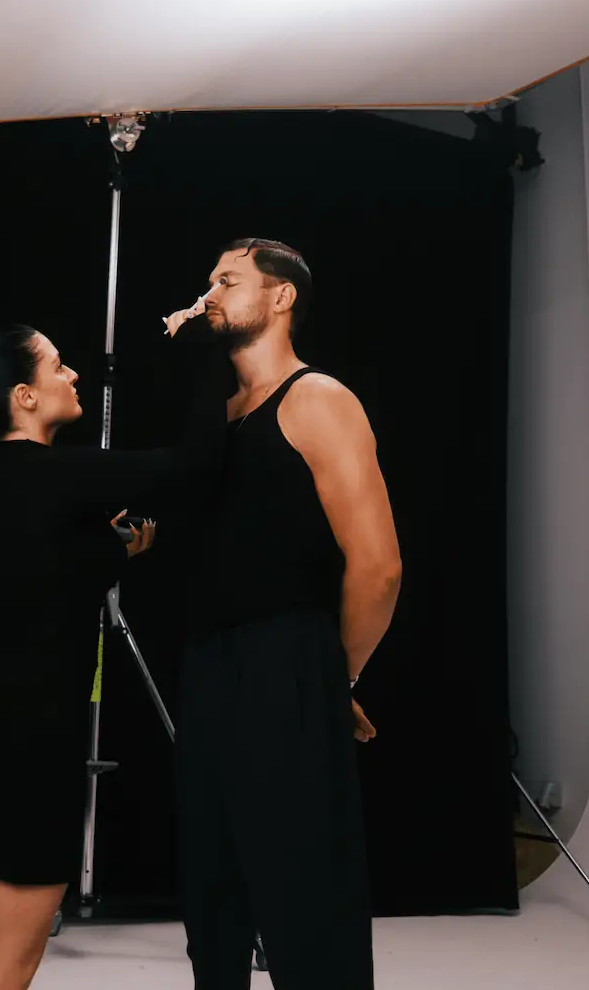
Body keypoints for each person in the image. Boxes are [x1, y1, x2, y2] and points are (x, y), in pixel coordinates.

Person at [0, 299, 232, 990]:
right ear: (24, 396)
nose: (74, 376)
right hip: (30, 745)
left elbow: (45, 576)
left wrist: (115, 552)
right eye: (58, 367)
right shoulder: (60, 475)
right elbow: (195, 466)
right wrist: (218, 350)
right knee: (7, 959)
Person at [177, 238, 403, 989]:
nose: (210, 294)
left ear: (281, 297)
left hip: (287, 658)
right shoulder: (218, 414)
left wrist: (333, 676)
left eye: (228, 280)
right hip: (209, 668)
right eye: (209, 281)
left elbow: (378, 567)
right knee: (212, 901)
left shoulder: (317, 399)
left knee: (306, 901)